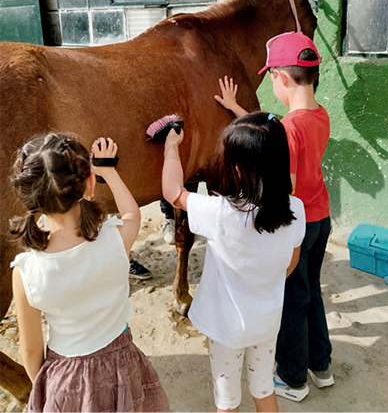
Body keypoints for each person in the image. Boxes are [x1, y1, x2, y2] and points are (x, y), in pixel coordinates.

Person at [10, 133, 169, 412]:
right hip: (123, 365)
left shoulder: (26, 271)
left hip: (66, 378)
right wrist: (109, 170)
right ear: (89, 184)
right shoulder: (115, 240)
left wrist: (48, 388)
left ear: (30, 198)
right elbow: (132, 214)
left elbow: (31, 351)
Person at [215, 31, 333, 402]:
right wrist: (241, 112)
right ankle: (321, 366)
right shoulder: (318, 115)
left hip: (297, 227)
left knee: (293, 301)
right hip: (322, 218)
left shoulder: (289, 129)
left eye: (272, 79)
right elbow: (274, 129)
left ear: (280, 78)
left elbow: (287, 186)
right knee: (312, 292)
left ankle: (293, 378)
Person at [162, 113, 305, 412]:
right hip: (266, 323)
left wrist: (171, 148)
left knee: (227, 400)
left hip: (227, 328)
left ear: (237, 169)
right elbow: (288, 266)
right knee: (264, 388)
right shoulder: (296, 209)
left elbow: (174, 193)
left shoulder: (218, 212)